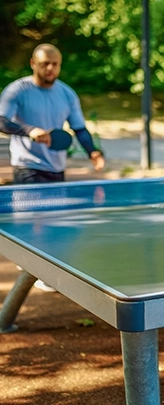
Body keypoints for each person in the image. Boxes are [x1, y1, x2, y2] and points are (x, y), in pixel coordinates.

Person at [0, 43, 105, 291]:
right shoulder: (18, 90)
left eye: (55, 64)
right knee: (38, 218)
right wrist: (29, 130)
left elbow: (79, 128)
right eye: (45, 63)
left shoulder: (66, 94)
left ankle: (35, 265)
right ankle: (39, 271)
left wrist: (94, 152)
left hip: (56, 167)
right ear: (33, 63)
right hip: (27, 165)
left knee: (54, 219)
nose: (50, 68)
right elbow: (1, 120)